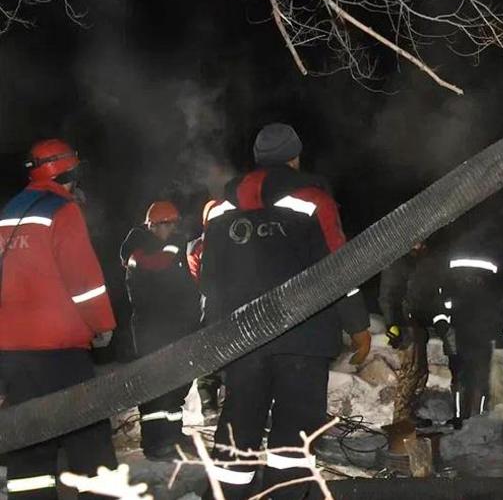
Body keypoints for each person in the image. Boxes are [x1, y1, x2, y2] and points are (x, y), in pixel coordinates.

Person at [199, 123, 372, 499]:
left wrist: (213, 335)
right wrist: (358, 325)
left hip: (242, 340)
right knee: (294, 436)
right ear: (295, 157)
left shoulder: (220, 209)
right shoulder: (314, 201)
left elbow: (208, 280)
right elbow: (339, 268)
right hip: (303, 339)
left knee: (237, 431)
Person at [0, 139, 118, 499]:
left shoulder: (8, 212)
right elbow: (83, 282)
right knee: (89, 438)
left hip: (12, 352)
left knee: (30, 441)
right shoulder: (62, 211)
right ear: (71, 170)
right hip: (60, 349)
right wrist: (102, 324)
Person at [120, 200, 202, 460]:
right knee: (155, 387)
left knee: (177, 384)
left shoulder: (171, 248)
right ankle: (156, 443)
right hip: (152, 330)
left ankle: (173, 435)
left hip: (178, 328)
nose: (174, 228)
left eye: (176, 223)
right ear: (152, 225)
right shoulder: (138, 250)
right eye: (168, 223)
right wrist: (176, 245)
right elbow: (157, 264)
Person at [435, 220, 503, 430]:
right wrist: (502, 328)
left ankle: (460, 417)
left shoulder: (450, 258)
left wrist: (443, 324)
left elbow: (441, 295)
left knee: (460, 374)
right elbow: (502, 296)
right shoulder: (493, 256)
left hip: (459, 327)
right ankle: (476, 416)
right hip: (482, 329)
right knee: (480, 375)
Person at [377, 241, 435, 447]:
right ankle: (400, 421)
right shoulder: (397, 262)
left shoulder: (417, 262)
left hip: (417, 323)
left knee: (420, 372)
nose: (422, 245)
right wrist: (393, 324)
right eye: (419, 242)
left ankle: (410, 414)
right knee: (410, 373)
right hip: (404, 325)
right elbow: (387, 296)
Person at [186, 199, 222, 421]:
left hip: (209, 305)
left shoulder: (195, 245)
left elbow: (194, 277)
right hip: (220, 304)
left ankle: (210, 402)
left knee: (209, 353)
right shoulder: (237, 237)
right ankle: (211, 402)